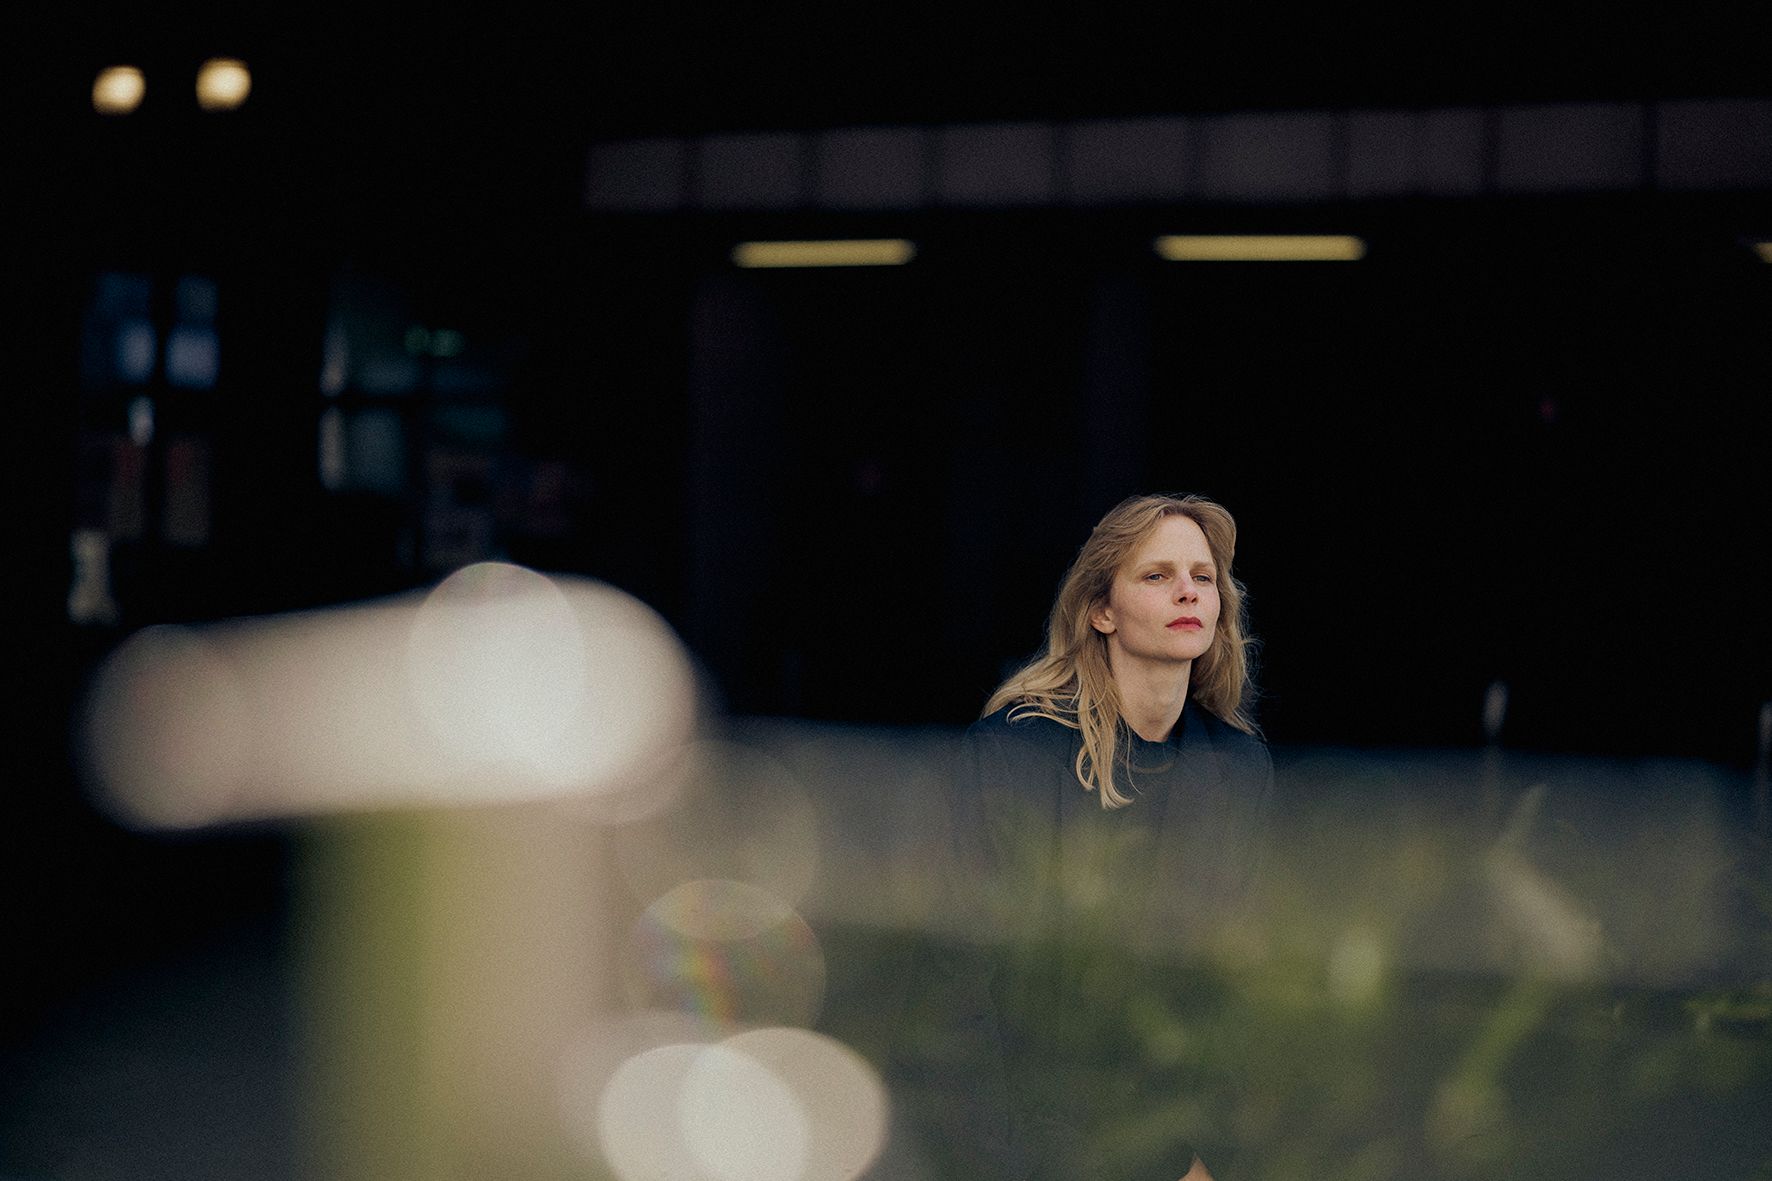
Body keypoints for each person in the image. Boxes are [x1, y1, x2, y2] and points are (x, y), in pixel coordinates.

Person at [942, 493, 1273, 1181]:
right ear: (1101, 610)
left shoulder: (1238, 767)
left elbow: (1231, 992)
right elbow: (965, 990)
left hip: (1170, 1139)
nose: (1187, 590)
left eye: (1202, 576)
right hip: (1027, 1141)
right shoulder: (1016, 752)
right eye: (1156, 575)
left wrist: (1206, 1156)